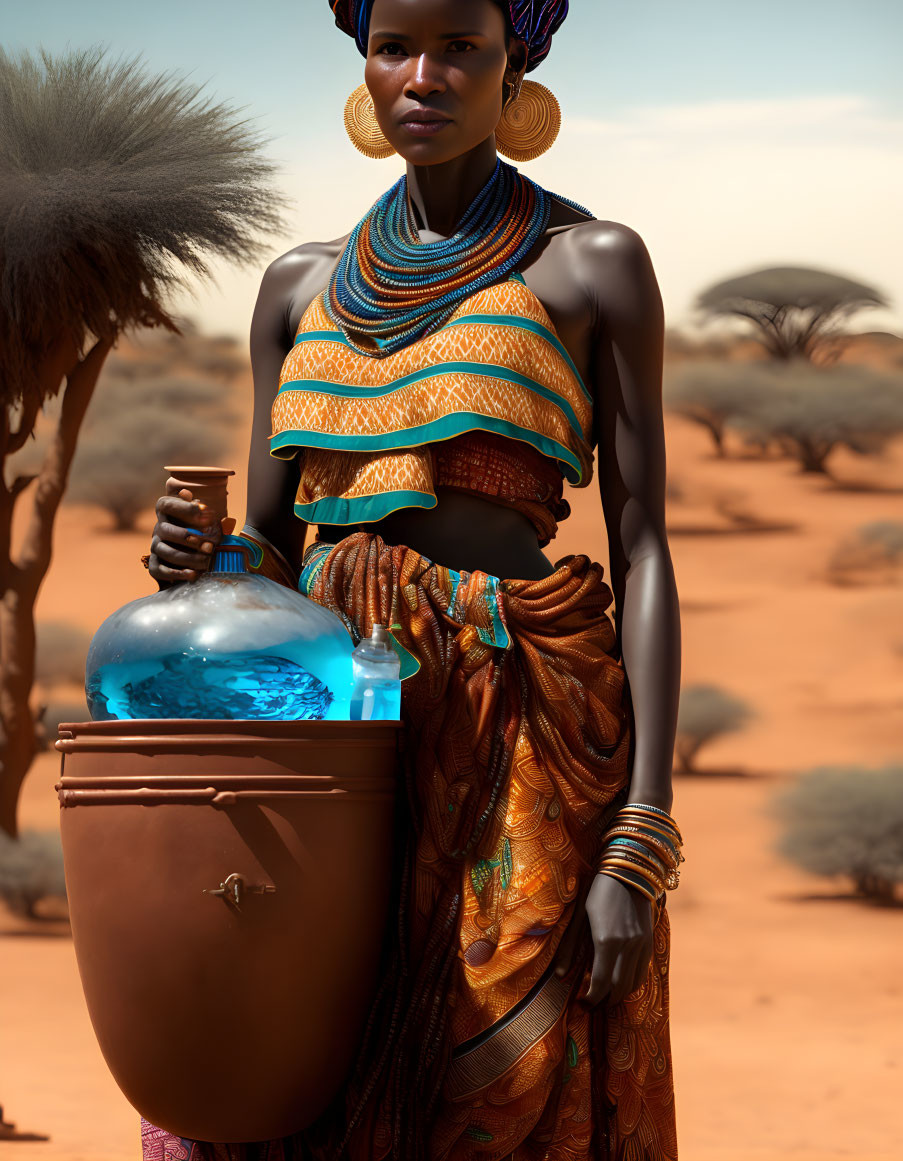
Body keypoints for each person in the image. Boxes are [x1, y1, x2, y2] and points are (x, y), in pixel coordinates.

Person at [144, 1, 682, 1158]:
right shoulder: (298, 285)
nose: (423, 75)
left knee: (503, 1059)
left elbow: (643, 548)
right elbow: (276, 553)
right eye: (395, 46)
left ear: (515, 64)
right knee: (289, 1037)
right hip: (326, 719)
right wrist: (204, 562)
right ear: (365, 66)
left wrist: (641, 835)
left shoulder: (591, 265)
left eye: (461, 47)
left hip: (518, 718)